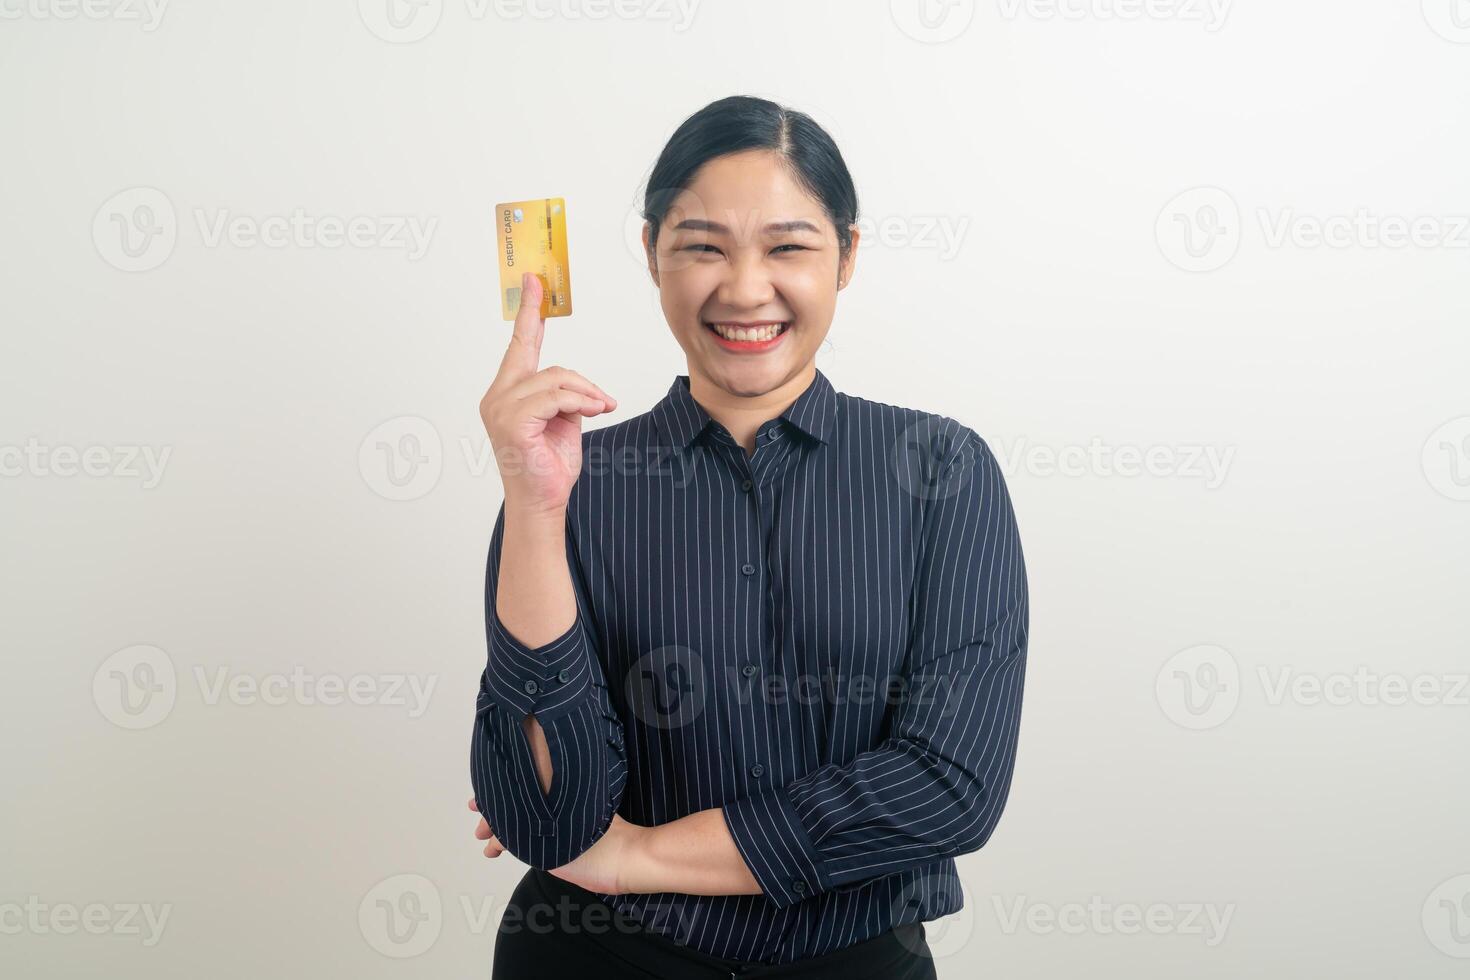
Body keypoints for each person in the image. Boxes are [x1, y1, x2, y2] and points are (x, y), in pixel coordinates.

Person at [467, 94, 1029, 979]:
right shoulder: (568, 483)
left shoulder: (941, 470)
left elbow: (948, 787)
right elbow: (545, 824)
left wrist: (634, 858)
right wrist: (534, 506)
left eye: (788, 245)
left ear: (846, 257)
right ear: (653, 252)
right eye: (702, 245)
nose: (744, 287)